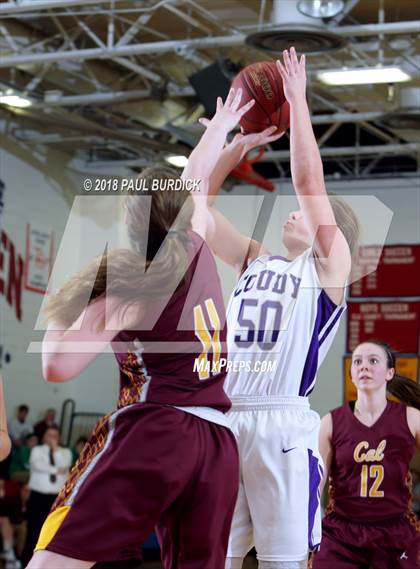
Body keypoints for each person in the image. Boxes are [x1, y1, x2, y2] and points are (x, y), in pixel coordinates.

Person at [26, 88, 255, 569]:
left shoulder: (128, 285)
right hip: (217, 444)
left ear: (128, 221)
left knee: (53, 561)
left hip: (156, 430)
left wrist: (60, 307)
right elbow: (192, 183)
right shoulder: (197, 242)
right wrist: (221, 127)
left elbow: (56, 366)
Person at [198, 48, 359, 569]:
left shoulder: (329, 268)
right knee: (209, 558)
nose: (296, 209)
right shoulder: (254, 261)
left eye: (309, 214)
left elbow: (310, 184)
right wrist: (230, 146)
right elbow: (192, 210)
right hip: (226, 420)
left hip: (283, 429)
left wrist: (296, 102)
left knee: (283, 564)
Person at [312, 340, 420, 568]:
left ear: (390, 372)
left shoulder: (411, 418)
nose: (364, 367)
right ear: (351, 373)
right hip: (341, 532)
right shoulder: (330, 422)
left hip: (395, 530)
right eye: (358, 362)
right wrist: (308, 528)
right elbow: (315, 486)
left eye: (373, 361)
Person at [22, 427, 72, 567]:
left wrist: (55, 448)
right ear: (44, 436)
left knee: (51, 533)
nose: (52, 438)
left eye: (55, 435)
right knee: (33, 530)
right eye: (49, 435)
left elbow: (65, 465)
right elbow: (38, 466)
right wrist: (56, 470)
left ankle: (44, 564)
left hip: (56, 499)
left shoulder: (65, 452)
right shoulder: (37, 450)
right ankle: (26, 562)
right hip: (38, 496)